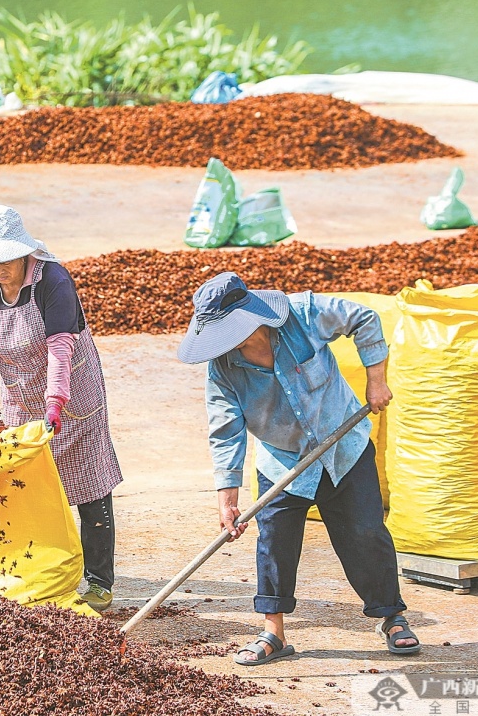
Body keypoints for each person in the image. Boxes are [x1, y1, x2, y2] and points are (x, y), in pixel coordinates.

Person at [178, 272, 419, 665]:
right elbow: (225, 430)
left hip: (344, 447)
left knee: (364, 532)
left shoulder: (303, 314)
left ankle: (391, 616)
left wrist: (376, 380)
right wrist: (227, 499)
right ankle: (274, 632)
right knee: (274, 540)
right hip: (283, 461)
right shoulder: (223, 368)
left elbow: (364, 317)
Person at [0, 205, 123, 612]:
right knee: (22, 485)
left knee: (87, 484)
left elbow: (59, 348)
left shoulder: (53, 280)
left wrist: (54, 403)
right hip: (19, 395)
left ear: (23, 252)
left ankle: (99, 581)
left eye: (4, 260)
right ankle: (32, 567)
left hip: (74, 396)